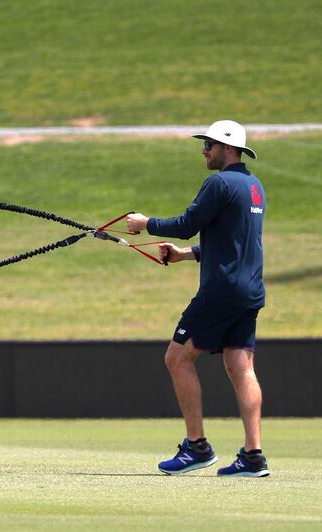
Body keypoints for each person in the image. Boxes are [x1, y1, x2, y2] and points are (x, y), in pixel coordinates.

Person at [126, 120, 269, 477]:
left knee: (177, 358)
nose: (204, 150)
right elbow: (232, 244)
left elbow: (188, 222)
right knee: (241, 367)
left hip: (220, 290)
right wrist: (183, 255)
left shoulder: (218, 183)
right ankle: (253, 456)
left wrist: (145, 222)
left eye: (208, 144)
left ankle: (196, 447)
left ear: (227, 148)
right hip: (249, 291)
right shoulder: (255, 187)